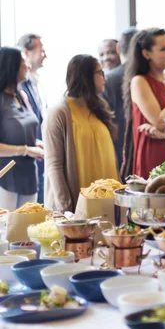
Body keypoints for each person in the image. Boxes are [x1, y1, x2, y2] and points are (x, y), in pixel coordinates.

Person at [44, 55, 118, 213]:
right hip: (76, 207)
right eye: (100, 73)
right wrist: (66, 208)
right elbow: (54, 165)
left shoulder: (98, 108)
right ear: (85, 77)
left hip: (105, 204)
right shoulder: (59, 112)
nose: (104, 77)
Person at [122, 28, 165, 179]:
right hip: (153, 154)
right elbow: (160, 121)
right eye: (163, 49)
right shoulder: (140, 81)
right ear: (146, 54)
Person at [0, 48, 43, 209]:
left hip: (29, 174)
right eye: (23, 62)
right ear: (11, 66)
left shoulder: (21, 96)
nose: (28, 65)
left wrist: (36, 143)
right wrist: (26, 150)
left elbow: (22, 130)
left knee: (28, 227)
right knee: (7, 230)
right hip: (6, 176)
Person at [101, 27, 137, 173]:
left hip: (118, 150)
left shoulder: (108, 80)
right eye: (102, 54)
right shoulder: (149, 75)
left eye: (110, 53)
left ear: (118, 49)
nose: (106, 58)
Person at [17, 33, 47, 203]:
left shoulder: (37, 82)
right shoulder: (18, 86)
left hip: (39, 152)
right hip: (23, 161)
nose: (45, 55)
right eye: (41, 51)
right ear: (26, 53)